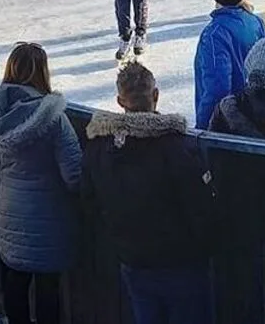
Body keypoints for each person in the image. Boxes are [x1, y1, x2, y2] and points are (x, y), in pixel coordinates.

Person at [81, 62, 217, 324]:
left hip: (134, 261)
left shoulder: (99, 150)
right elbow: (202, 209)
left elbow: (90, 202)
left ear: (120, 101)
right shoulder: (178, 149)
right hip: (182, 265)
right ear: (155, 95)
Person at [0, 43, 82, 324]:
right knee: (48, 290)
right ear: (43, 72)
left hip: (8, 215)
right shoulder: (54, 119)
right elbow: (74, 175)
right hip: (50, 219)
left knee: (14, 285)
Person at [193, 0, 265, 129]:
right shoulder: (257, 23)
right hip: (256, 121)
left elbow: (217, 88)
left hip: (226, 128)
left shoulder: (214, 35)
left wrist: (202, 131)